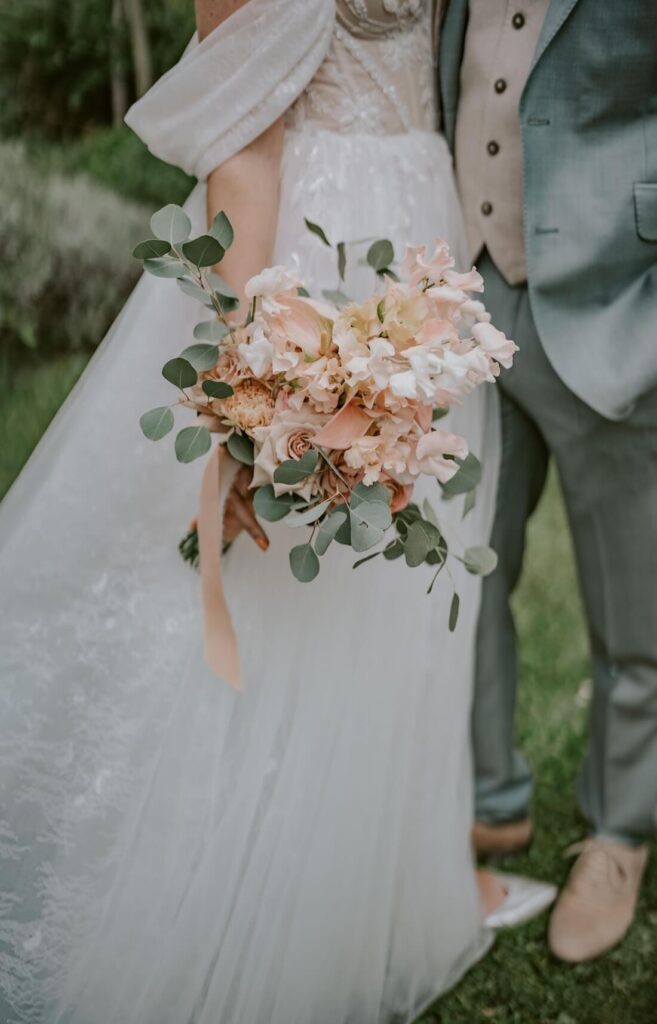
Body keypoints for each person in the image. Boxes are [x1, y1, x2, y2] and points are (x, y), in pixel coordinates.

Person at [0, 4, 553, 1022]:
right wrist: (246, 384)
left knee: (397, 592)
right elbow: (242, 148)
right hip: (321, 257)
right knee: (301, 598)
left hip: (428, 233)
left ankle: (389, 887)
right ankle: (243, 896)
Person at [439, 0, 657, 962]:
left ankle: (617, 832)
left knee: (633, 609)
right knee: (462, 571)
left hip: (618, 294)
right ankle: (490, 803)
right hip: (466, 298)